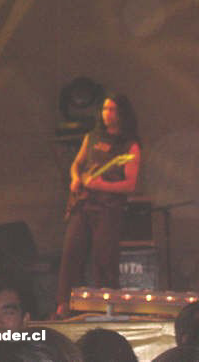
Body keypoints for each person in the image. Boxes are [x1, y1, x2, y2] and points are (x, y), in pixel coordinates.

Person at [55, 94, 141, 318]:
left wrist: (103, 185)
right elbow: (76, 164)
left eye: (112, 109)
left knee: (104, 258)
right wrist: (75, 178)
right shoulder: (92, 137)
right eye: (104, 109)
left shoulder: (129, 145)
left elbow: (130, 184)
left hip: (108, 209)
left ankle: (107, 307)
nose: (107, 114)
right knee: (71, 252)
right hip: (83, 204)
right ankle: (64, 305)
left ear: (122, 113)